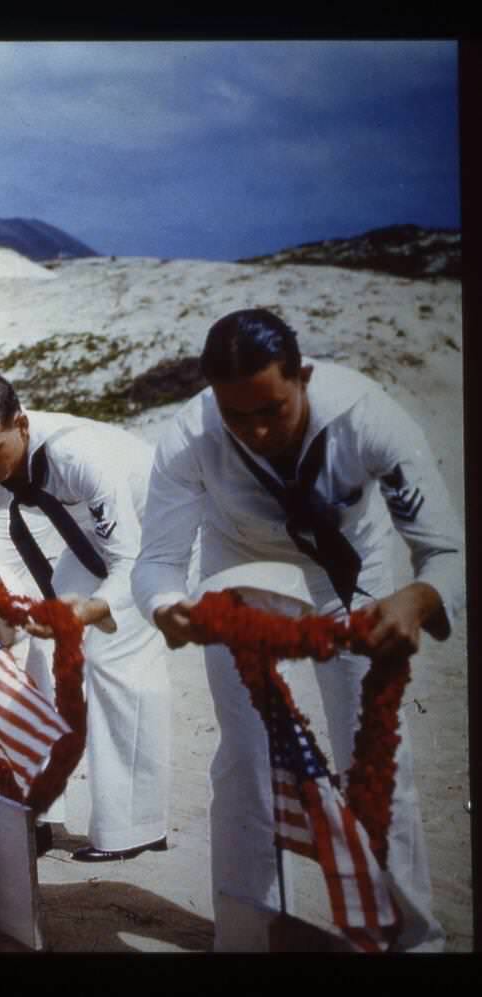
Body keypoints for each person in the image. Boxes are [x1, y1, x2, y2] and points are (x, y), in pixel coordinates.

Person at [132, 308, 462, 952]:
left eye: (272, 410)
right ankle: (247, 932)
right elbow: (158, 562)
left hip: (353, 585)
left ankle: (413, 942)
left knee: (378, 764)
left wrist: (417, 599)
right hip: (241, 585)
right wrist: (169, 606)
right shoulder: (188, 437)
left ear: (304, 376)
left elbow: (446, 548)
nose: (255, 431)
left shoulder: (368, 418)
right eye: (237, 417)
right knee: (246, 762)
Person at [0, 369, 171, 862]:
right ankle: (43, 806)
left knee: (115, 660)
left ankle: (135, 826)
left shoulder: (78, 454)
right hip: (88, 532)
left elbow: (129, 559)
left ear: (21, 424)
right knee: (42, 650)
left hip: (156, 524)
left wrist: (92, 608)